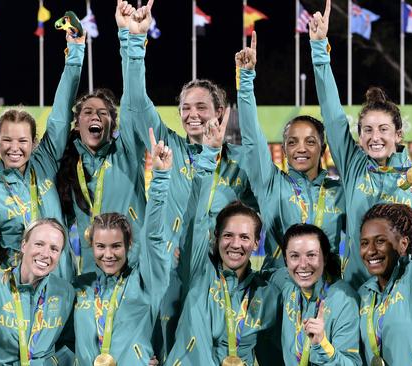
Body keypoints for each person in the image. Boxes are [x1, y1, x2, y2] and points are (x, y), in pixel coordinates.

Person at [121, 1, 258, 357]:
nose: (192, 115)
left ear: (220, 113)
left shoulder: (240, 165)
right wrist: (135, 42)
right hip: (168, 271)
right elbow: (136, 102)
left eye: (202, 107)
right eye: (185, 107)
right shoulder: (169, 148)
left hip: (216, 274)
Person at [309, 0, 412, 289]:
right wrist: (320, 51)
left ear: (398, 135)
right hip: (357, 291)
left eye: (383, 129)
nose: (375, 136)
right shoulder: (354, 166)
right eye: (367, 130)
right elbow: (332, 115)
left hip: (405, 293)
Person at [0, 21, 85, 281]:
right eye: (7, 140)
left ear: (34, 143)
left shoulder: (45, 162)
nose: (14, 148)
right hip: (19, 290)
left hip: (60, 282)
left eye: (22, 141)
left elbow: (59, 115)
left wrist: (75, 52)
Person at [165, 136, 281, 365]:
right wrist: (208, 156)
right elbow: (194, 222)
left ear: (257, 243)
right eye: (228, 235)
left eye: (245, 237)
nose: (236, 244)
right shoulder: (198, 272)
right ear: (216, 237)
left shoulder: (265, 294)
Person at [236, 31, 345, 270]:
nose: (301, 148)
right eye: (293, 142)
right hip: (279, 291)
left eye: (310, 141)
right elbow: (252, 141)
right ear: (284, 150)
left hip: (327, 294)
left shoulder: (340, 192)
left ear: (323, 148)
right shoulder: (272, 184)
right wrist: (246, 81)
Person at [55, 0, 149, 278]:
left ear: (113, 123)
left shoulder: (128, 150)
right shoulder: (67, 158)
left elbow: (133, 102)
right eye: (87, 112)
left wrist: (128, 38)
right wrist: (74, 53)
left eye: (103, 113)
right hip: (90, 272)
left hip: (135, 270)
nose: (94, 116)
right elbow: (59, 114)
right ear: (77, 121)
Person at [69, 128, 172, 365]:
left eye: (116, 246)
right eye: (100, 246)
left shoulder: (144, 282)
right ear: (91, 246)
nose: (108, 254)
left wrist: (160, 179)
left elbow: (154, 237)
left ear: (128, 246)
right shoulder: (79, 287)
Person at [357, 101, 412, 365]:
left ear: (404, 243)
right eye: (364, 243)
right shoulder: (364, 294)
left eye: (380, 241)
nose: (370, 250)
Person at [0, 219, 75, 365]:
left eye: (54, 249)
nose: (45, 253)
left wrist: (52, 363)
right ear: (24, 245)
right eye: (39, 244)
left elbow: (70, 345)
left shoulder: (65, 291)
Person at [279, 224, 361, 365]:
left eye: (311, 255)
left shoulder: (344, 299)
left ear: (325, 257)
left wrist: (322, 344)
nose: (303, 264)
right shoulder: (286, 286)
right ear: (286, 260)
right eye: (294, 256)